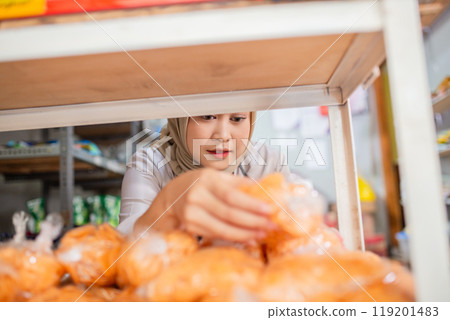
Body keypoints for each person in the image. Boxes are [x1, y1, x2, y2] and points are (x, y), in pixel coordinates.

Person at [118, 112, 291, 243]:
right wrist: (169, 202)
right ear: (181, 118)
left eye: (237, 119)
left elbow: (299, 235)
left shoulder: (268, 164)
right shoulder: (150, 164)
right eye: (207, 117)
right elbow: (122, 245)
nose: (223, 135)